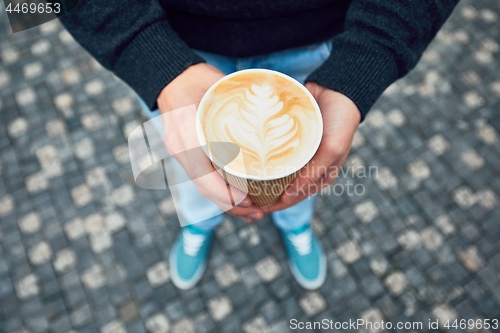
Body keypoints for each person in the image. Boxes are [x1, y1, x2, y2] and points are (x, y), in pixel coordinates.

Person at [61, 0, 458, 290]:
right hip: (169, 39)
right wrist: (141, 48)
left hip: (315, 39)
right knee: (190, 167)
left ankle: (295, 223)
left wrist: (368, 56)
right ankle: (200, 222)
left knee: (302, 164)